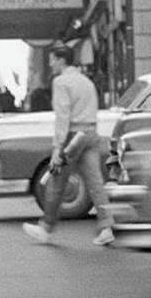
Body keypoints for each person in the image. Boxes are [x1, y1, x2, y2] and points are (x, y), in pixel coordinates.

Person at [22, 44, 115, 246]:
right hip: (91, 133)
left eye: (53, 59)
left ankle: (46, 228)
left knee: (56, 181)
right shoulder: (86, 82)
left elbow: (62, 117)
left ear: (62, 60)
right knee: (95, 182)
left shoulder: (62, 82)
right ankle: (107, 226)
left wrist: (57, 148)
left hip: (73, 136)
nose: (51, 63)